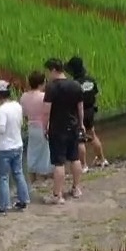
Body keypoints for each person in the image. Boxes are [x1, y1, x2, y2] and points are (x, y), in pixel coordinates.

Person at [44, 58, 87, 203]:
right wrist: (81, 124)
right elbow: (80, 107)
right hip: (73, 126)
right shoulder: (75, 85)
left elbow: (46, 111)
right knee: (74, 159)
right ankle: (76, 188)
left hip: (57, 128)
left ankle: (58, 195)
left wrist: (45, 126)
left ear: (54, 70)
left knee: (59, 162)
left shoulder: (51, 87)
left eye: (49, 71)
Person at [0, 80, 29, 213]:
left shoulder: (2, 109)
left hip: (4, 148)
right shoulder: (17, 105)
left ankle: (3, 206)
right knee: (18, 173)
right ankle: (23, 200)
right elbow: (18, 122)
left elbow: (0, 130)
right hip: (18, 145)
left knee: (3, 177)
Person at [67, 56, 108, 168]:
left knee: (80, 140)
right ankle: (102, 159)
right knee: (92, 135)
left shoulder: (74, 84)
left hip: (78, 113)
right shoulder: (91, 80)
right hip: (90, 111)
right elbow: (95, 94)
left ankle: (83, 165)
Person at [22, 70, 53, 185]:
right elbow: (48, 113)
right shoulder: (44, 96)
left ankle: (32, 180)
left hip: (31, 126)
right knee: (45, 153)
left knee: (32, 153)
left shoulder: (24, 96)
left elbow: (24, 114)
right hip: (43, 126)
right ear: (42, 83)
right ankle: (42, 179)